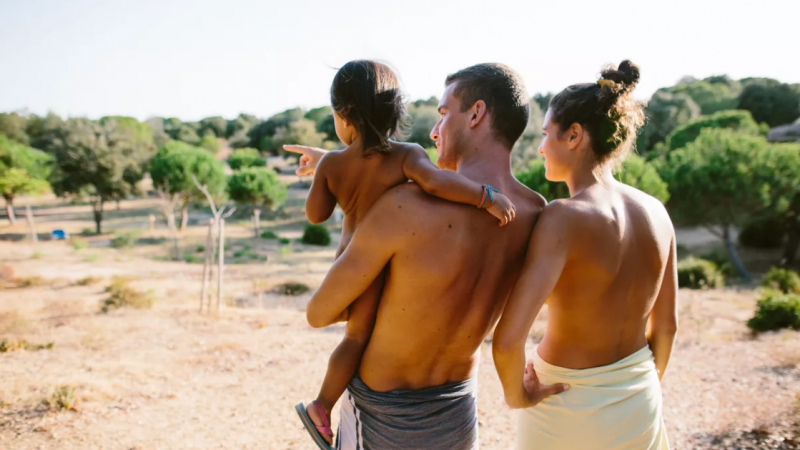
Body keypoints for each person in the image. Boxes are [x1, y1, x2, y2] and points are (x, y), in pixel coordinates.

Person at [294, 63, 568, 450]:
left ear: (476, 114)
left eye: (443, 114)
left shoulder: (404, 206)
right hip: (458, 412)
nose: (434, 130)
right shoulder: (537, 212)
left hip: (382, 418)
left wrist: (340, 177)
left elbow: (321, 313)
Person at [492, 60, 677, 450]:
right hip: (639, 398)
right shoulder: (657, 211)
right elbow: (666, 328)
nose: (540, 146)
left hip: (564, 405)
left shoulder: (563, 217)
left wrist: (517, 397)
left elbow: (508, 340)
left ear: (574, 135)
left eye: (546, 134)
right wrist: (635, 389)